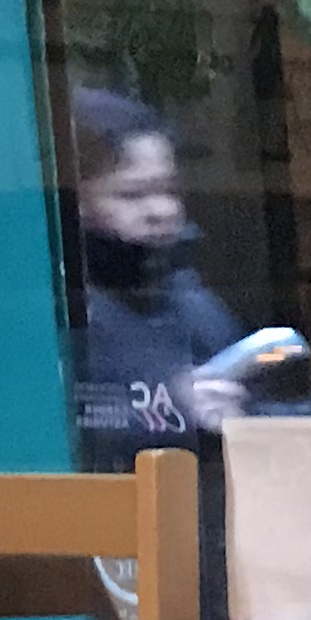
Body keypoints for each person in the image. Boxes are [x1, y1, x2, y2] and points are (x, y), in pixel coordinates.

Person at [69, 89, 241, 470]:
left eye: (168, 189)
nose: (161, 210)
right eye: (131, 194)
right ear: (77, 202)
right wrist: (175, 411)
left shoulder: (195, 304)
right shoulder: (65, 313)